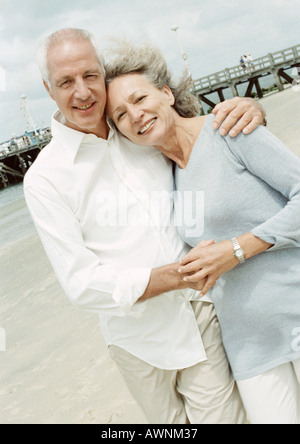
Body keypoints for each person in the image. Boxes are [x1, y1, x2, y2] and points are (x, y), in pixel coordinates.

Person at [24, 28, 265, 424]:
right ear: (49, 90)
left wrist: (250, 109)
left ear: (103, 74)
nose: (82, 92)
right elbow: (81, 284)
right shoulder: (44, 180)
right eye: (66, 82)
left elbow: (203, 139)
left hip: (200, 315)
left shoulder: (137, 126)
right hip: (135, 342)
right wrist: (175, 275)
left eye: (89, 76)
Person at [105, 41, 300, 424]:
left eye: (140, 97)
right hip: (248, 347)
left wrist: (237, 250)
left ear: (166, 93)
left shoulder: (229, 129)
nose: (136, 114)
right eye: (121, 115)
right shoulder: (166, 178)